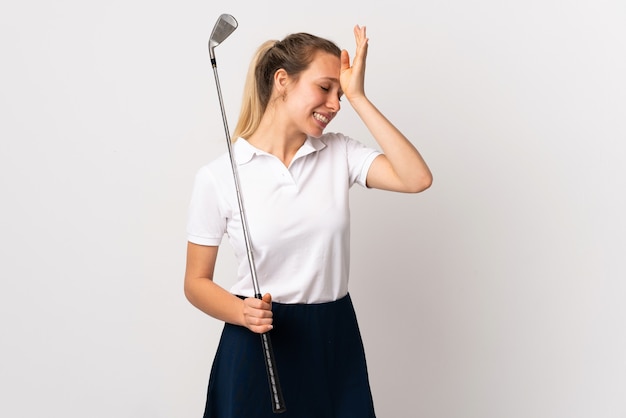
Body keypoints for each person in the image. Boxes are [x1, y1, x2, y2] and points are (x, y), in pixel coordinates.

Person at [184, 25, 432, 418]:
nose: (335, 104)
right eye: (325, 88)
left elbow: (417, 178)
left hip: (334, 337)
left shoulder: (339, 153)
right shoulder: (218, 176)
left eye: (340, 93)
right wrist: (240, 312)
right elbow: (195, 282)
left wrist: (359, 97)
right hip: (257, 342)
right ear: (282, 81)